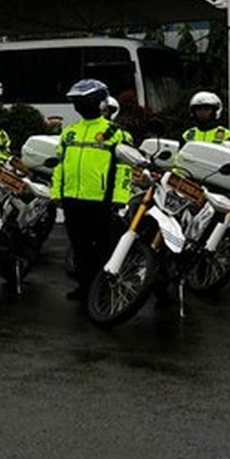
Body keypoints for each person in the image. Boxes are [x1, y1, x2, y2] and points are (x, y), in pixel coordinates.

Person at [53, 79, 132, 302]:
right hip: (71, 200)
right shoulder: (70, 132)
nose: (80, 106)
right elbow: (60, 165)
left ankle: (103, 291)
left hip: (101, 202)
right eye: (77, 102)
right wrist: (56, 194)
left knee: (104, 249)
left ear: (99, 102)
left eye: (84, 101)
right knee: (80, 249)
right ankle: (85, 287)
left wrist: (119, 198)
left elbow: (124, 170)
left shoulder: (115, 132)